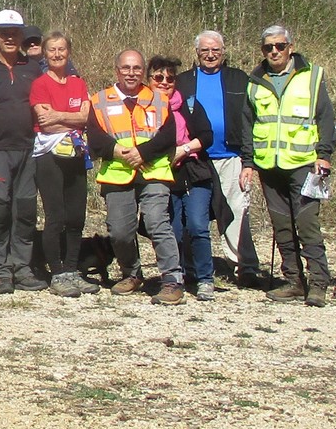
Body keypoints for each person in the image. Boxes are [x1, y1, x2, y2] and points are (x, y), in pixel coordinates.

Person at [240, 25, 334, 307]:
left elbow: (325, 118)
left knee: (307, 225)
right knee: (281, 226)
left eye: (280, 46)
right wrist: (248, 162)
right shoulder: (255, 81)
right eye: (268, 47)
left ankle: (318, 283)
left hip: (304, 164)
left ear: (290, 48)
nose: (274, 52)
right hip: (269, 165)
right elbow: (247, 124)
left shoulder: (312, 76)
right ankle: (294, 281)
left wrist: (324, 154)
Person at [87, 50, 186, 305]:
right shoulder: (99, 100)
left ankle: (172, 280)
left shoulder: (158, 99)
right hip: (117, 174)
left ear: (143, 72)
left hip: (153, 172)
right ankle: (132, 273)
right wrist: (117, 151)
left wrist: (142, 153)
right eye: (126, 68)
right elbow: (95, 138)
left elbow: (168, 136)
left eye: (137, 68)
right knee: (120, 232)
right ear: (117, 70)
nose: (131, 73)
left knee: (157, 223)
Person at [175, 30, 260, 287]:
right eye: (205, 50)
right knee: (193, 216)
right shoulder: (183, 82)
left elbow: (250, 121)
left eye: (216, 50)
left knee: (237, 211)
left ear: (223, 52)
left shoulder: (239, 79)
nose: (210, 55)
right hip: (195, 158)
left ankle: (244, 267)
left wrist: (248, 161)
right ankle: (189, 266)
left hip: (231, 156)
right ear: (197, 53)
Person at [0, 10, 48, 293]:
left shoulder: (33, 67)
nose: (9, 37)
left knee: (25, 210)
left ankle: (22, 267)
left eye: (15, 33)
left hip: (29, 148)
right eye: (4, 33)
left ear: (22, 35)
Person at [29, 32, 97, 297]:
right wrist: (71, 118)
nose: (57, 54)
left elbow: (86, 118)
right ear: (45, 54)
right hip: (48, 156)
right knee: (55, 216)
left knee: (76, 216)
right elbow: (44, 123)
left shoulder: (78, 83)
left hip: (76, 154)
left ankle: (71, 269)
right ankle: (57, 273)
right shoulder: (40, 84)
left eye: (61, 50)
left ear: (69, 52)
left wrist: (59, 116)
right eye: (52, 50)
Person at [152, 56, 217, 301]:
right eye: (159, 77)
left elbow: (207, 136)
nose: (165, 82)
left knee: (198, 226)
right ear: (149, 80)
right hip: (163, 175)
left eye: (170, 78)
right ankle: (178, 274)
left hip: (193, 172)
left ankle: (205, 279)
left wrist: (184, 149)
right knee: (174, 231)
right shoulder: (144, 108)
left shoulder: (188, 104)